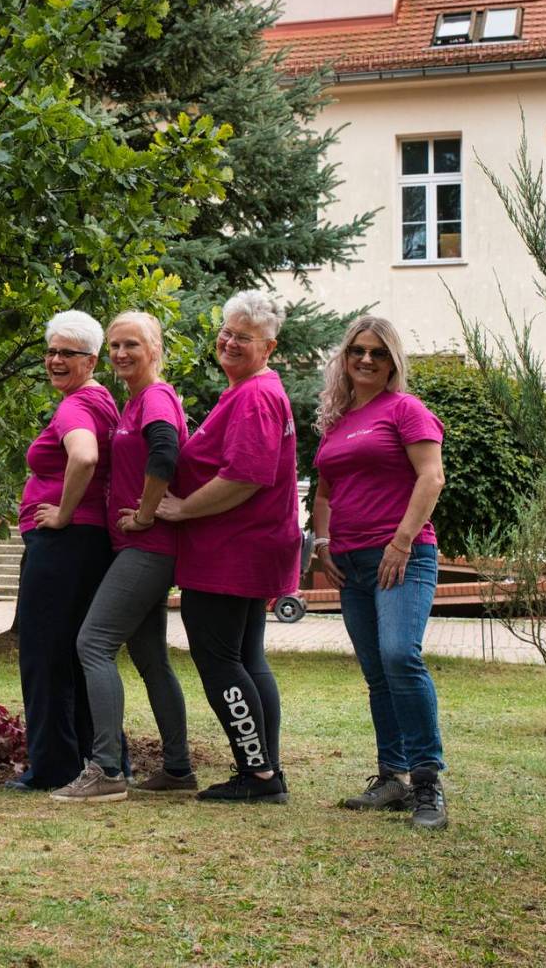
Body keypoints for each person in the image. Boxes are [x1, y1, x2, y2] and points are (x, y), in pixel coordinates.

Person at [155, 289, 300, 803]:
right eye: (227, 331)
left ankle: (257, 775)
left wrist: (181, 508)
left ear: (269, 346)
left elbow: (245, 477)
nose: (230, 342)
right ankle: (265, 770)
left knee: (220, 660)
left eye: (244, 337)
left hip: (232, 550)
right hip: (249, 547)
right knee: (245, 657)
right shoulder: (254, 390)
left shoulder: (255, 395)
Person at [311, 316, 449, 829]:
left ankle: (428, 783)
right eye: (357, 352)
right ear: (345, 360)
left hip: (403, 558)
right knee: (377, 674)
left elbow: (430, 477)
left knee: (399, 657)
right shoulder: (338, 421)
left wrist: (402, 540)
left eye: (378, 353)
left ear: (393, 362)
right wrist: (322, 543)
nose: (366, 360)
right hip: (351, 563)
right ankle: (391, 778)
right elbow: (324, 493)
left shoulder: (406, 410)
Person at [52, 311, 192, 802]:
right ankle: (177, 768)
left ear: (155, 348)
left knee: (92, 643)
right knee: (151, 657)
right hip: (139, 546)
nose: (121, 353)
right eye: (114, 346)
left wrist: (148, 513)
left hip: (147, 547)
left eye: (132, 344)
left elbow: (165, 454)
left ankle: (107, 769)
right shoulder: (136, 400)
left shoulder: (154, 397)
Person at [8, 310, 119, 792]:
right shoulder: (102, 400)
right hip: (90, 547)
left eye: (67, 353)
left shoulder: (75, 407)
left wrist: (64, 512)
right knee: (76, 655)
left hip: (64, 545)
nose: (55, 360)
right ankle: (97, 760)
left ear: (91, 360)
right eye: (50, 351)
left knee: (44, 654)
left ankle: (51, 767)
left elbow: (85, 456)